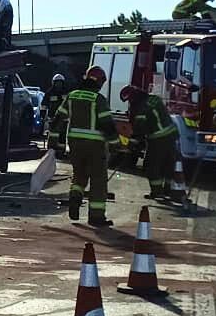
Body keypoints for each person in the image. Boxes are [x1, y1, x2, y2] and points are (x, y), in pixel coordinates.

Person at [53, 65, 120, 227]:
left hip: (75, 144)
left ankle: (75, 197)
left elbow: (58, 119)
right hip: (95, 145)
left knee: (79, 175)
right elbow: (107, 125)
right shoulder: (98, 99)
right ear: (98, 82)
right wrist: (115, 144)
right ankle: (96, 217)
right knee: (98, 180)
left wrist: (54, 142)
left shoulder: (72, 96)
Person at [120, 83, 181, 201]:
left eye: (129, 100)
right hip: (172, 135)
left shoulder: (141, 108)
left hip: (158, 138)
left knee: (150, 165)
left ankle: (157, 192)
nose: (130, 103)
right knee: (169, 164)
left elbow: (138, 130)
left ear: (133, 97)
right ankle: (168, 191)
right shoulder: (154, 98)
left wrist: (132, 145)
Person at [42, 72, 71, 159]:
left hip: (64, 119)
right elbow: (43, 105)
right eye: (57, 82)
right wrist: (43, 115)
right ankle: (52, 151)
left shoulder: (66, 92)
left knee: (62, 137)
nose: (58, 84)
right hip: (53, 119)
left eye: (60, 83)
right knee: (53, 136)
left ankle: (61, 152)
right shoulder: (49, 93)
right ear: (53, 83)